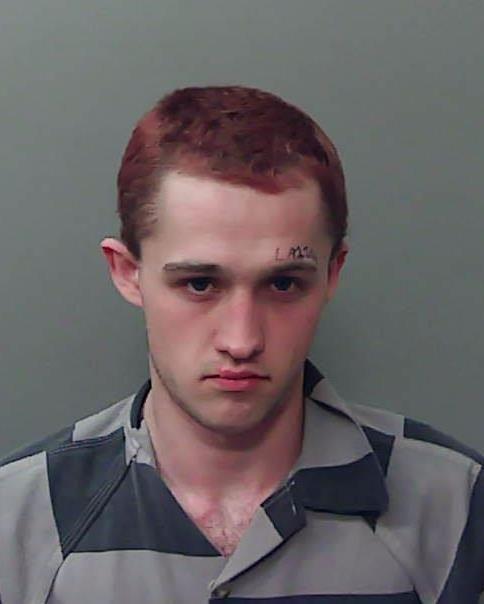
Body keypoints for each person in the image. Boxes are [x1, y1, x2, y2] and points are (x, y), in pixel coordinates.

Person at [0, 85, 482, 604]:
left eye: (283, 284)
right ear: (127, 272)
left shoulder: (454, 506)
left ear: (332, 273)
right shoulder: (18, 520)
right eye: (199, 284)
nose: (241, 340)